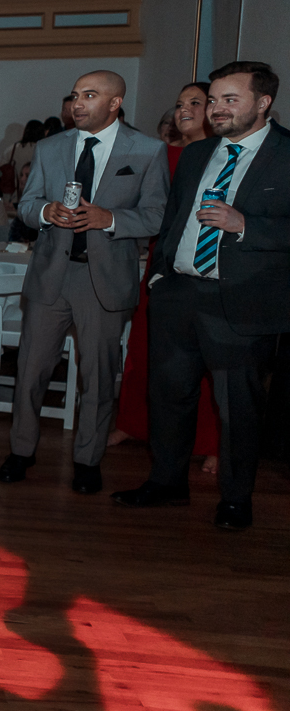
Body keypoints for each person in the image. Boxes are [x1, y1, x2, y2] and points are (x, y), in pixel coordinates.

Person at [113, 61, 290, 531]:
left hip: (241, 304)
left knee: (238, 410)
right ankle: (167, 483)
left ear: (263, 102)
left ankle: (236, 499)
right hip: (178, 295)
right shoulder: (196, 154)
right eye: (213, 100)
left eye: (230, 100)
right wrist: (161, 277)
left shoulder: (287, 154)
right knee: (168, 398)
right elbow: (173, 220)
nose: (216, 110)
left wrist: (246, 224)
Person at [0, 71, 169, 494]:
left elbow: (157, 215)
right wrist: (44, 212)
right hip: (51, 276)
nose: (78, 103)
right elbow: (25, 205)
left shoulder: (147, 150)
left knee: (97, 376)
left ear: (115, 103)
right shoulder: (51, 147)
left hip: (104, 281)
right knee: (31, 370)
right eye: (75, 95)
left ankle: (88, 460)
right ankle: (21, 451)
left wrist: (109, 218)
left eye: (90, 96)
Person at [114, 82, 220, 464]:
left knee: (207, 360)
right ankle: (133, 423)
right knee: (144, 348)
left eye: (195, 102)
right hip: (161, 263)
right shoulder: (163, 156)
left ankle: (211, 444)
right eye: (179, 104)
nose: (184, 109)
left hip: (206, 264)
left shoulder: (224, 157)